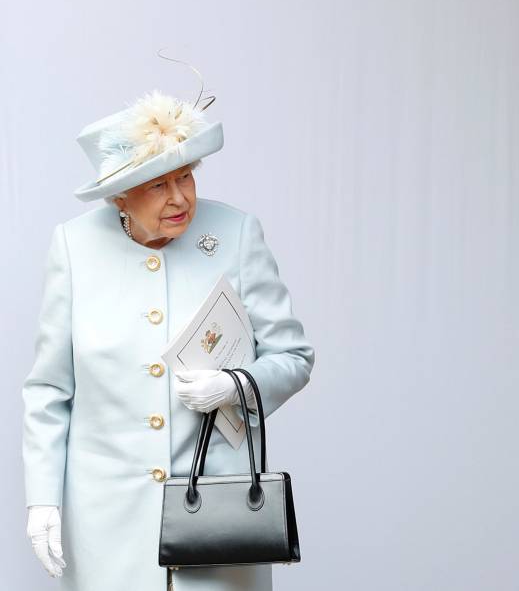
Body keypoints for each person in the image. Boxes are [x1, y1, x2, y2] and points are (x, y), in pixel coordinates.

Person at [22, 91, 315, 591]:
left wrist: (236, 385)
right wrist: (43, 499)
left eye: (185, 176)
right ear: (119, 194)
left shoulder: (236, 233)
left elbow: (294, 357)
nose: (179, 198)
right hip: (109, 523)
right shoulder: (74, 248)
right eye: (157, 185)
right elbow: (50, 390)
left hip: (221, 519)